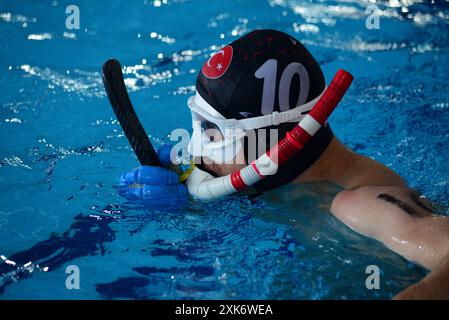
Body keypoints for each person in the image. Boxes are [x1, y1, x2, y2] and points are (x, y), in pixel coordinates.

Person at [119, 29, 449, 299]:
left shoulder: (358, 204)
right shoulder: (293, 183)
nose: (195, 151)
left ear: (275, 142)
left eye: (213, 133)